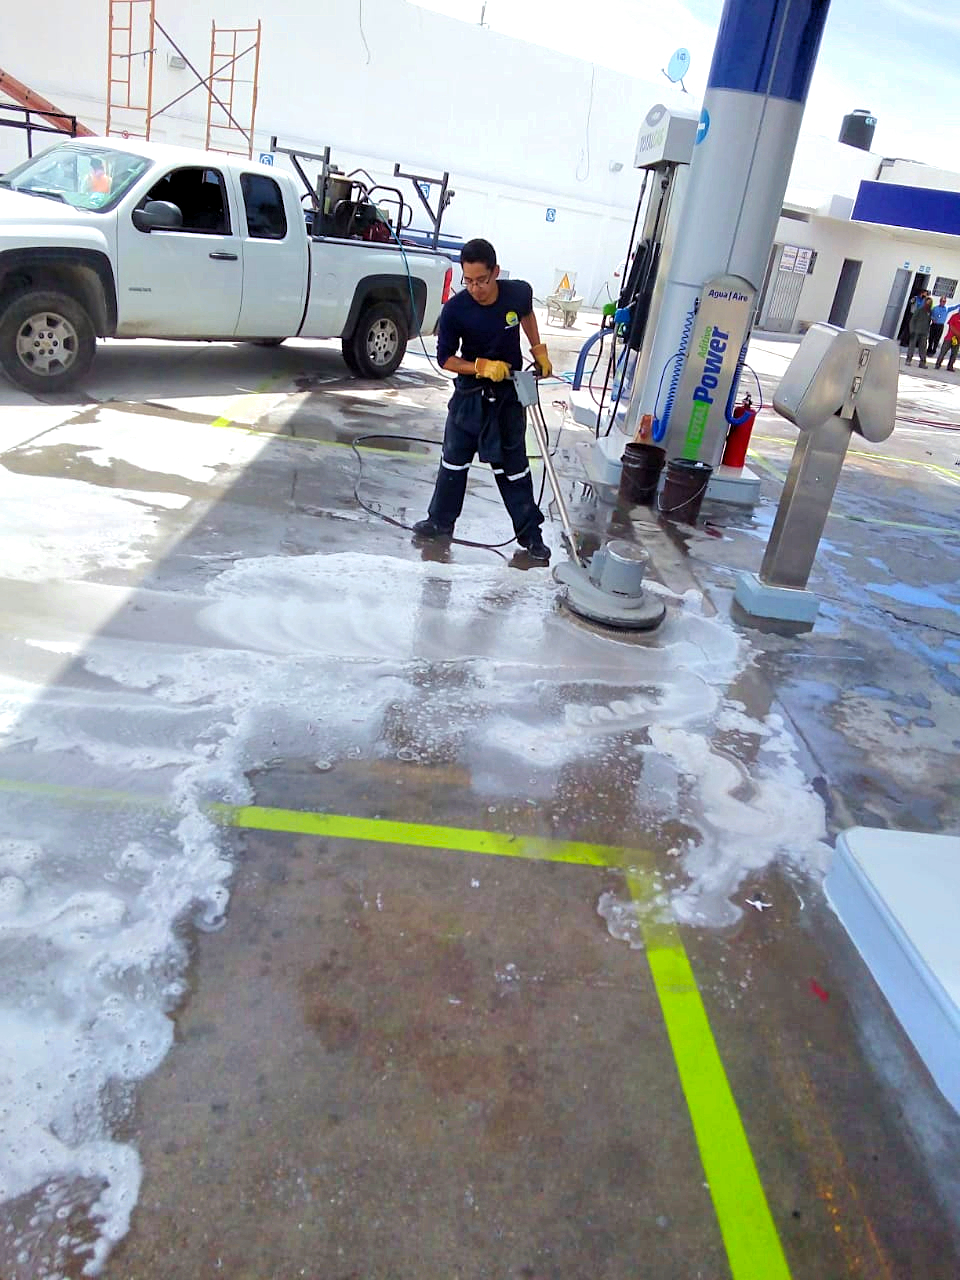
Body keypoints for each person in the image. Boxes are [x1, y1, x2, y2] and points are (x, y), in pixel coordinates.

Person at [413, 238, 553, 562]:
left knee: (514, 469)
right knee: (453, 461)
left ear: (496, 273)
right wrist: (478, 366)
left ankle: (531, 536)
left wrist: (538, 350)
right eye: (469, 281)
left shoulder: (517, 293)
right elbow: (445, 358)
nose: (475, 288)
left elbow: (527, 313)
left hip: (507, 400)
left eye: (482, 280)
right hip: (469, 398)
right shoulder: (456, 310)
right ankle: (440, 522)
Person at [905, 296, 932, 367]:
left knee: (923, 348)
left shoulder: (930, 312)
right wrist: (912, 330)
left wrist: (928, 332)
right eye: (927, 303)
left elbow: (929, 322)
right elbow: (912, 321)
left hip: (924, 333)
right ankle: (908, 360)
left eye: (930, 303)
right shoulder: (919, 310)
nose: (928, 304)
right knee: (912, 346)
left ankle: (922, 363)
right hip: (916, 331)